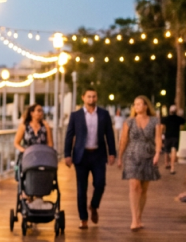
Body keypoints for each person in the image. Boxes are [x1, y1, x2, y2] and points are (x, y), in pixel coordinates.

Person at [64, 89, 117, 229]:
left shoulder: (104, 114)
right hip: (81, 156)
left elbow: (109, 134)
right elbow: (69, 135)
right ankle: (83, 219)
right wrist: (67, 154)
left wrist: (112, 153)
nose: (91, 99)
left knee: (100, 184)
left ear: (96, 97)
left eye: (94, 96)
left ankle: (94, 205)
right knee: (81, 189)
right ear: (83, 98)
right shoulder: (76, 116)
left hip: (98, 155)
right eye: (89, 96)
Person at [118, 95, 162, 230]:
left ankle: (139, 217)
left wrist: (157, 154)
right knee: (134, 186)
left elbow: (158, 139)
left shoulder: (155, 121)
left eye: (139, 104)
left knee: (143, 189)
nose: (136, 106)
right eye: (135, 104)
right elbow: (124, 139)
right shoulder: (129, 121)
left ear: (146, 106)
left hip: (148, 155)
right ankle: (134, 220)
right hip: (132, 155)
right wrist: (120, 157)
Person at [160, 107, 186, 174]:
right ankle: (172, 168)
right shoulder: (179, 119)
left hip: (167, 136)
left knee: (166, 150)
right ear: (176, 111)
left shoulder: (165, 118)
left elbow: (162, 127)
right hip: (175, 136)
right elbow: (182, 126)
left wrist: (161, 135)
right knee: (173, 150)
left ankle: (166, 163)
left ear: (169, 111)